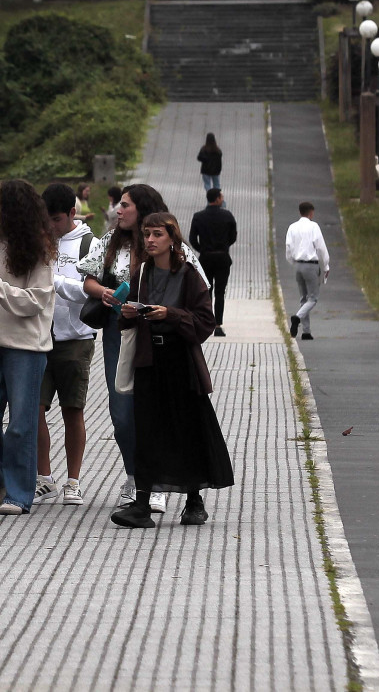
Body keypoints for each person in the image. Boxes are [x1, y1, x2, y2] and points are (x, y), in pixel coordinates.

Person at [78, 184, 208, 515]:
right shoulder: (111, 241)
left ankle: (158, 484)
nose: (118, 210)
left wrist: (171, 315)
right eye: (118, 205)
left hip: (164, 340)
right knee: (122, 413)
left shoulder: (177, 254)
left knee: (159, 412)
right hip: (121, 333)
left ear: (144, 209)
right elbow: (88, 279)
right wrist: (106, 292)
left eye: (125, 205)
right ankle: (136, 475)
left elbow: (198, 292)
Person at [110, 212, 233, 529]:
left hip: (180, 362)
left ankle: (194, 501)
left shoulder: (189, 275)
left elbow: (205, 322)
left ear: (172, 239)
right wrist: (128, 313)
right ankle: (141, 504)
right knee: (147, 429)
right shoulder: (140, 275)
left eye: (157, 235)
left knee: (186, 428)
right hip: (149, 361)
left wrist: (172, 314)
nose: (149, 240)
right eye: (146, 234)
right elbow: (129, 319)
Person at [0, 179, 55, 514]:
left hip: (27, 348)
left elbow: (36, 301)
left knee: (20, 424)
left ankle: (19, 494)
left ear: (15, 208)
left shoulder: (39, 248)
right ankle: (1, 479)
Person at [33, 184, 96, 507]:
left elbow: (91, 291)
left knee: (73, 409)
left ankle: (74, 480)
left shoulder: (90, 244)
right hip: (39, 336)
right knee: (34, 408)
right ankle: (44, 477)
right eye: (47, 220)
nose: (51, 227)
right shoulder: (40, 242)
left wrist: (54, 283)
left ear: (72, 213)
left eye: (56, 220)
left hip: (75, 339)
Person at [188, 188, 238, 337]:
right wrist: (224, 246)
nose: (222, 198)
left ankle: (206, 322)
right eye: (221, 196)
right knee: (220, 291)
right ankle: (218, 324)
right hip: (222, 257)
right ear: (217, 199)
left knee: (206, 291)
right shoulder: (227, 215)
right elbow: (233, 236)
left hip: (206, 258)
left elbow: (192, 239)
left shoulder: (198, 217)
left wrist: (202, 249)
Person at [285, 201, 330, 340]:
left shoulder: (292, 227)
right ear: (311, 213)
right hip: (311, 265)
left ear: (300, 212)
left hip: (298, 265)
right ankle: (297, 318)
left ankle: (306, 331)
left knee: (303, 298)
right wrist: (326, 265)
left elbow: (288, 247)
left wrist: (293, 262)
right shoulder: (313, 226)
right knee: (313, 298)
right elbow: (321, 247)